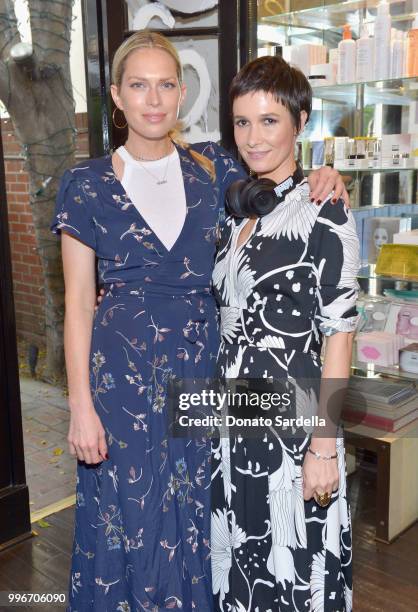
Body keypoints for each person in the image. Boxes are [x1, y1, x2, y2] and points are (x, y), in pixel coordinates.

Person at [51, 30, 349, 611]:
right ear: (116, 94)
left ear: (182, 92)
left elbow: (277, 150)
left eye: (165, 85)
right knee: (127, 525)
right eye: (138, 85)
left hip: (202, 383)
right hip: (121, 384)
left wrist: (325, 172)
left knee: (195, 526)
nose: (153, 99)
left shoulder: (213, 168)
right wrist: (80, 408)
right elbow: (78, 303)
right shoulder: (85, 184)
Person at [210, 55, 359, 612]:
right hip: (232, 421)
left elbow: (339, 333)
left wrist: (324, 443)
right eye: (243, 122)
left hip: (297, 429)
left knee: (296, 571)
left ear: (300, 123)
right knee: (243, 574)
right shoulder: (235, 214)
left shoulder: (325, 211)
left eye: (269, 121)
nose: (253, 137)